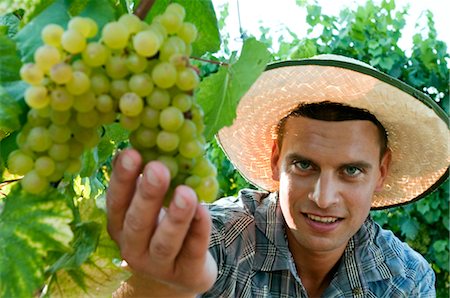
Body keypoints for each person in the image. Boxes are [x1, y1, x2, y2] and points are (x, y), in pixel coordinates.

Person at [106, 55, 449, 297]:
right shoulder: (211, 244)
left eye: (351, 171)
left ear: (381, 174)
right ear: (275, 161)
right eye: (304, 165)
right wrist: (159, 289)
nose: (324, 197)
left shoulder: (405, 281)